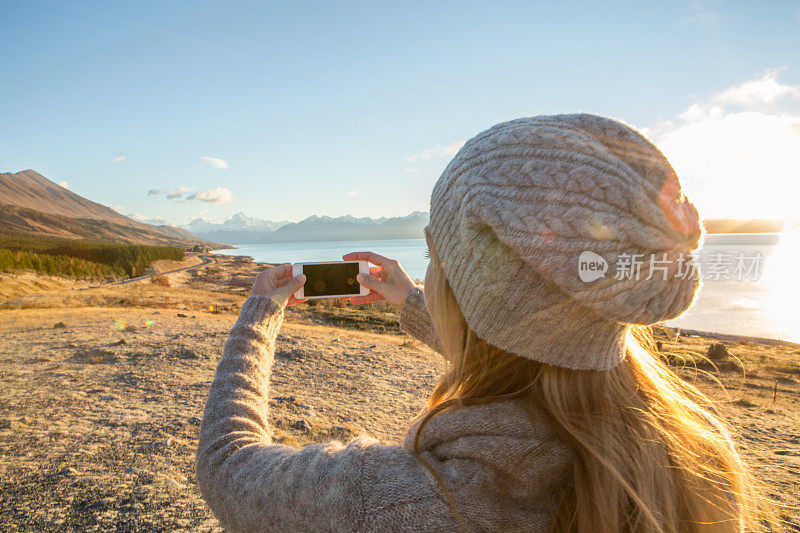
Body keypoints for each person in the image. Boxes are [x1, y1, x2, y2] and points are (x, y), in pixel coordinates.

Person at [196, 114, 772, 532]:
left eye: (437, 256)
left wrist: (260, 314)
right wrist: (410, 302)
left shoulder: (417, 501)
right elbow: (524, 344)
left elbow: (227, 467)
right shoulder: (693, 459)